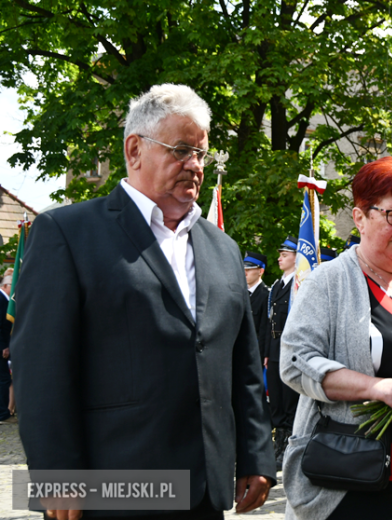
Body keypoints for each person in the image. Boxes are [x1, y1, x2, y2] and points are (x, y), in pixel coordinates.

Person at [10, 84, 276, 519]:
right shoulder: (67, 233)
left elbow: (242, 366)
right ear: (134, 149)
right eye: (181, 150)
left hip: (205, 490)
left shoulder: (223, 248)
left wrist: (256, 457)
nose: (194, 166)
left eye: (201, 154)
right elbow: (41, 365)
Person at [280, 156, 392, 520]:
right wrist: (375, 388)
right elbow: (295, 362)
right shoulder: (329, 281)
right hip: (352, 477)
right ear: (360, 217)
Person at [264, 236, 299, 469]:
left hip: (292, 348)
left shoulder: (300, 283)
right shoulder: (277, 285)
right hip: (275, 349)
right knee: (276, 397)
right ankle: (278, 443)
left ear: (297, 257)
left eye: (284, 254)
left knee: (289, 398)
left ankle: (288, 444)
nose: (279, 258)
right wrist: (267, 352)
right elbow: (270, 322)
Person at [245, 251, 270, 343]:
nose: (244, 273)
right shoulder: (240, 293)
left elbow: (265, 330)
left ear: (261, 271)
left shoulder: (266, 295)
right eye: (243, 269)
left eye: (249, 269)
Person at [0, 276, 14, 424]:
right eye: (12, 285)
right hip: (2, 347)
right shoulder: (1, 299)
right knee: (4, 379)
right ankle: (3, 413)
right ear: (5, 286)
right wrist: (3, 346)